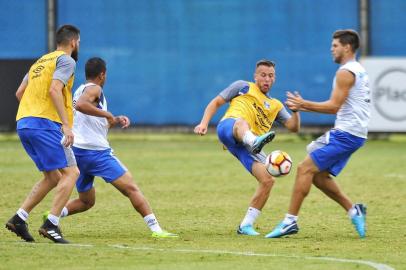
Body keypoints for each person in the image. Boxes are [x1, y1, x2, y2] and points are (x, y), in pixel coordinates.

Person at [50, 57, 177, 238]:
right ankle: (157, 230)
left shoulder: (79, 89)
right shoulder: (95, 88)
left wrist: (114, 120)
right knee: (131, 188)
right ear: (102, 74)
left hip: (78, 151)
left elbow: (89, 119)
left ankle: (54, 216)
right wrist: (108, 114)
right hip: (96, 153)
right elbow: (83, 106)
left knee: (87, 201)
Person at [266, 29, 370, 239]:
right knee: (318, 176)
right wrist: (304, 106)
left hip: (347, 133)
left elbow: (334, 107)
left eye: (335, 46)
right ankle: (353, 210)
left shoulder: (345, 72)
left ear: (347, 47)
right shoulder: (357, 69)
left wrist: (304, 104)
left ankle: (289, 222)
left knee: (304, 169)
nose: (331, 50)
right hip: (353, 132)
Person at [194, 59, 300, 236]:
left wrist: (297, 110)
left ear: (275, 79)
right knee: (242, 122)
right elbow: (216, 103)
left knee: (268, 180)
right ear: (255, 76)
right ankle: (253, 140)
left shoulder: (276, 106)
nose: (267, 79)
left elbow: (294, 128)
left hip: (244, 147)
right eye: (263, 75)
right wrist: (204, 123)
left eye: (271, 76)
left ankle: (245, 225)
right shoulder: (243, 86)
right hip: (229, 128)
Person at [5, 25, 81, 244]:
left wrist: (33, 112)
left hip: (25, 122)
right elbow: (54, 89)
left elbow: (20, 93)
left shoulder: (39, 62)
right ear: (74, 42)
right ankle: (52, 224)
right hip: (44, 123)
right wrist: (65, 125)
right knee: (71, 173)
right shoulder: (67, 61)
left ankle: (19, 218)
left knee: (53, 177)